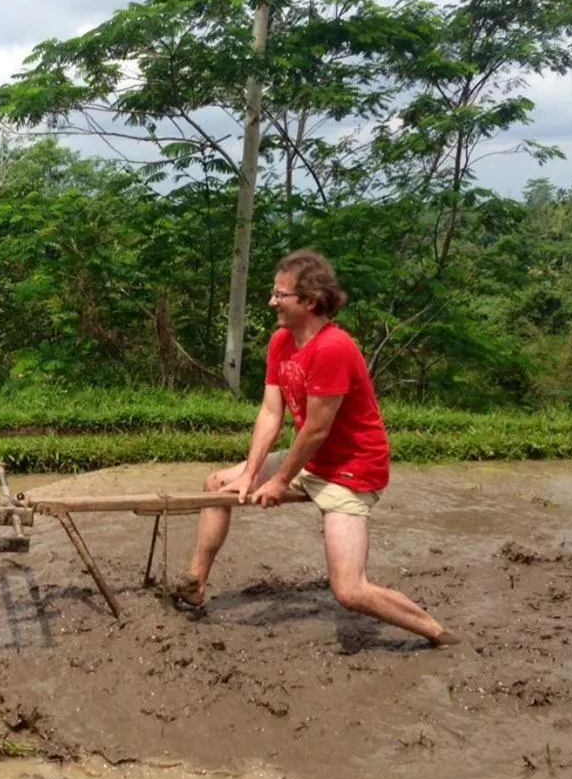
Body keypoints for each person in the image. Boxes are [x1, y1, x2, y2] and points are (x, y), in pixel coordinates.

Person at [174, 249, 461, 646]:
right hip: (312, 461)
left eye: (280, 295)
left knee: (349, 591)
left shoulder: (332, 348)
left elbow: (315, 430)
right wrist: (249, 472)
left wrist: (278, 482)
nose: (272, 301)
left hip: (351, 470)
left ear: (309, 302)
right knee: (217, 483)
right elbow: (271, 414)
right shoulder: (281, 342)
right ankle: (195, 583)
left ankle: (437, 633)